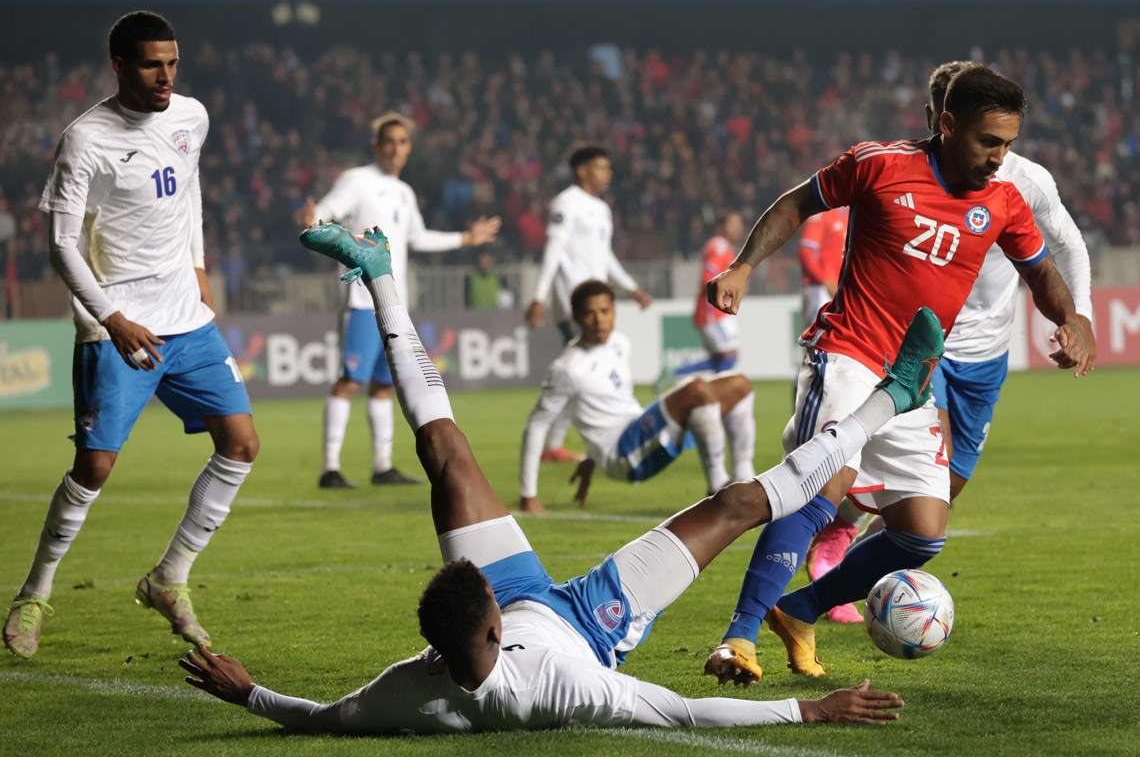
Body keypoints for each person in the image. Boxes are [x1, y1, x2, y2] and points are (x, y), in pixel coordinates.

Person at [179, 220, 943, 730]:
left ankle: (380, 278)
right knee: (739, 502)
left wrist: (248, 693)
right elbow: (682, 711)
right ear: (488, 627)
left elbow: (324, 718)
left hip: (523, 605)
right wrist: (811, 713)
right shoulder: (564, 687)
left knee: (444, 452)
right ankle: (891, 399)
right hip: (593, 624)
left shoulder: (410, 686)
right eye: (485, 598)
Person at [702, 66, 1094, 686]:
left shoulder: (1004, 201)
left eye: (1008, 144)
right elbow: (797, 203)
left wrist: (1073, 319)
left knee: (921, 531)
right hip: (849, 354)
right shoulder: (879, 165)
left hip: (911, 383)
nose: (999, 158)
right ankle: (739, 637)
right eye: (989, 142)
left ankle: (798, 609)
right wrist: (744, 267)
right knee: (817, 489)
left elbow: (1041, 270)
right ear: (947, 125)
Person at [3, 11, 259, 658]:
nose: (166, 76)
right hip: (115, 322)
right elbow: (61, 243)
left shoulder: (190, 118)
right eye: (152, 64)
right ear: (119, 65)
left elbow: (189, 194)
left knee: (242, 442)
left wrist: (199, 270)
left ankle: (170, 578)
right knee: (94, 465)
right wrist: (110, 319)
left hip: (185, 317)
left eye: (172, 62)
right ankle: (34, 593)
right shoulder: (85, 139)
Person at [805, 60, 1098, 625]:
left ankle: (855, 539)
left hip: (989, 350)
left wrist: (1079, 317)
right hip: (921, 343)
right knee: (919, 455)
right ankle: (834, 546)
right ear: (943, 121)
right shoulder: (913, 170)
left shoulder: (1025, 182)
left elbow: (1069, 247)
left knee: (950, 483)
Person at [300, 112, 501, 489]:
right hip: (361, 298)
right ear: (376, 146)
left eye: (403, 142)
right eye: (389, 141)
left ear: (409, 148)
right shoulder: (357, 180)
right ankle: (330, 467)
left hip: (394, 304)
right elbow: (324, 217)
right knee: (349, 380)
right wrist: (314, 218)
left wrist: (466, 239)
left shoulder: (404, 193)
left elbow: (418, 239)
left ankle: (382, 465)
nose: (396, 148)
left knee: (383, 386)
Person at [519, 279, 754, 514]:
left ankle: (744, 479)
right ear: (576, 318)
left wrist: (589, 459)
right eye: (589, 314)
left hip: (638, 431)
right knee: (696, 390)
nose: (599, 320)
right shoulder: (567, 368)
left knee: (739, 384)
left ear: (614, 312)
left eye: (605, 311)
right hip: (620, 454)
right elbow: (537, 424)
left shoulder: (619, 343)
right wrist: (528, 495)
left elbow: (602, 409)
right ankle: (718, 488)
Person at [524, 146, 653, 464]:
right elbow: (553, 250)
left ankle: (555, 444)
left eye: (608, 168)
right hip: (574, 305)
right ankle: (553, 444)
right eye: (600, 168)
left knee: (583, 375)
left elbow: (604, 255)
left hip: (599, 301)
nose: (607, 174)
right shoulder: (566, 204)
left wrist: (630, 287)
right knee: (578, 373)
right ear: (582, 171)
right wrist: (539, 296)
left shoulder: (600, 209)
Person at [677, 211, 746, 376]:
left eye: (740, 224)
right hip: (713, 312)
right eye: (734, 224)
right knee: (729, 356)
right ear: (721, 227)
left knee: (720, 359)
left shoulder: (723, 247)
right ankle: (677, 375)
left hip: (716, 311)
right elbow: (708, 278)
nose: (739, 228)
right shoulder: (719, 246)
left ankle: (677, 374)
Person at [798, 207, 848, 326]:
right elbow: (806, 252)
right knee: (820, 338)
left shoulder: (853, 213)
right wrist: (825, 280)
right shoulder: (821, 215)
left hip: (843, 291)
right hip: (820, 289)